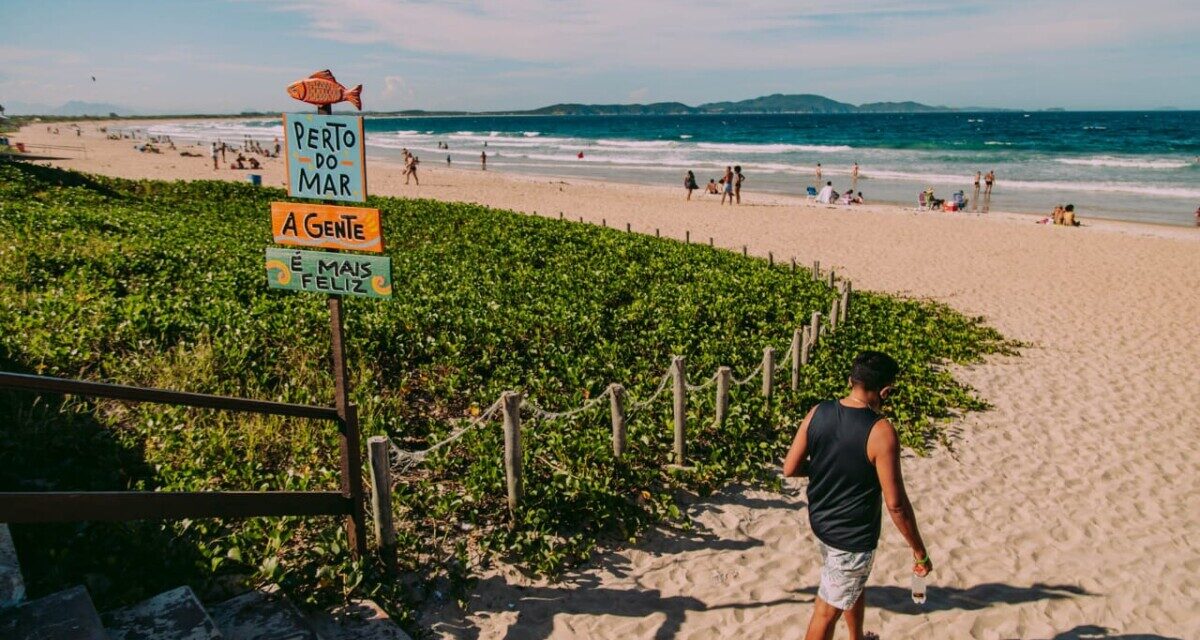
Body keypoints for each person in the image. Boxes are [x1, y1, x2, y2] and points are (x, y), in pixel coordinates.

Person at [783, 351, 931, 640]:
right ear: (886, 391)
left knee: (852, 585)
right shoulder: (881, 431)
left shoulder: (818, 411)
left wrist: (829, 469)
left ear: (851, 380)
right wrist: (919, 550)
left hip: (822, 524)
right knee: (826, 611)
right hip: (851, 537)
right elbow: (896, 504)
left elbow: (790, 467)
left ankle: (857, 637)